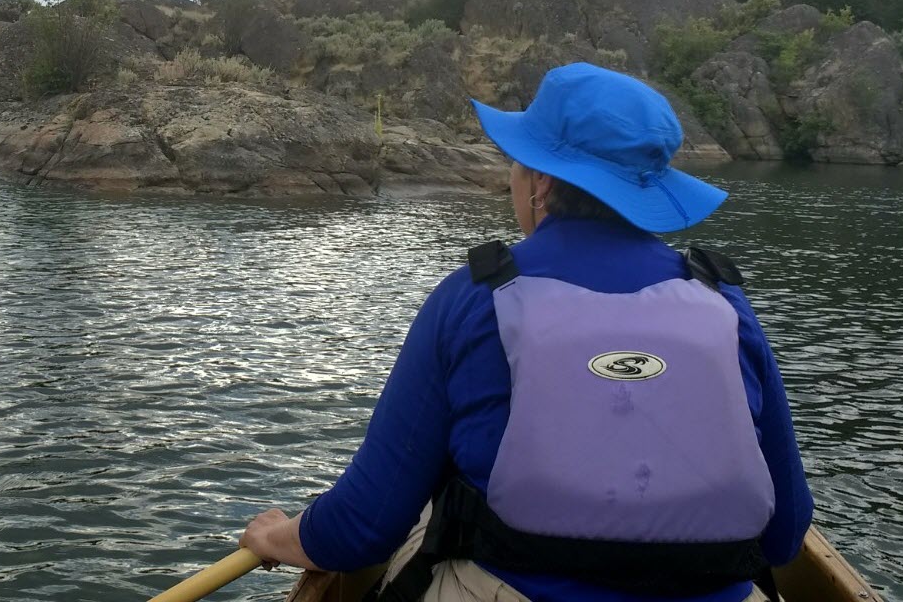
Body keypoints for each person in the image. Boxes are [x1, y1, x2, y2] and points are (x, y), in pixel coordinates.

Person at [240, 62, 813, 602]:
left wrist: (277, 537)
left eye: (516, 161)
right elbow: (785, 534)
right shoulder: (723, 299)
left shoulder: (475, 294)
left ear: (540, 180)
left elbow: (362, 528)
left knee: (422, 522)